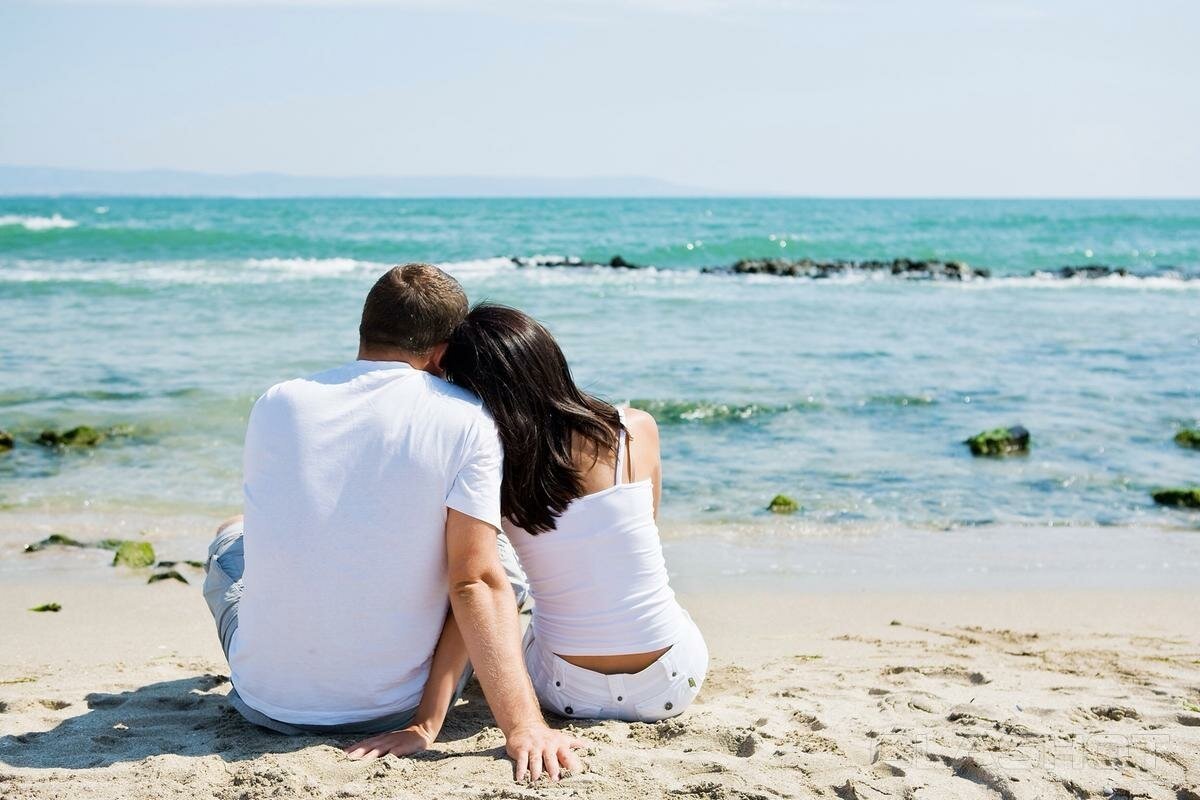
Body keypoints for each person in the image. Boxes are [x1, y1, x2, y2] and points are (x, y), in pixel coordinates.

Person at [203, 264, 582, 783]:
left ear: (363, 330)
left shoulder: (277, 401)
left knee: (230, 538)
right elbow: (473, 581)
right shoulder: (467, 418)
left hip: (265, 704)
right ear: (443, 352)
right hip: (394, 709)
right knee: (496, 563)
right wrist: (524, 727)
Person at [449, 304, 708, 721]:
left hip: (565, 691)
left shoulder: (491, 466)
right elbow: (636, 540)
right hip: (671, 683)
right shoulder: (635, 429)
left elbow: (472, 579)